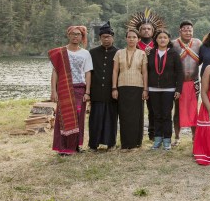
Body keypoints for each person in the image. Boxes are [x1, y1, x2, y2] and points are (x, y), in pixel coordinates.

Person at [49, 26, 93, 155]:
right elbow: (55, 72)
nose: (75, 36)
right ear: (68, 35)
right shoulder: (60, 53)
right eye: (73, 34)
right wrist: (53, 91)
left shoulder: (85, 53)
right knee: (63, 118)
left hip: (80, 88)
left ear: (82, 36)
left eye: (78, 34)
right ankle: (62, 147)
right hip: (64, 88)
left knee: (78, 117)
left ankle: (76, 146)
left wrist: (87, 92)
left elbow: (88, 73)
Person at [127, 8, 165, 141]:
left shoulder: (159, 44)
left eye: (149, 29)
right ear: (139, 31)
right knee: (135, 108)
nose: (146, 31)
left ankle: (153, 133)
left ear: (153, 31)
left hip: (154, 81)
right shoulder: (134, 45)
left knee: (154, 109)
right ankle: (134, 135)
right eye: (143, 29)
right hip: (136, 80)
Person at [147, 29, 184, 150]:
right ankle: (157, 139)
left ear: (169, 40)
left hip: (169, 89)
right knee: (156, 115)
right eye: (160, 37)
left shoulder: (174, 54)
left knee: (166, 115)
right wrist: (146, 88)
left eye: (165, 37)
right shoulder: (151, 53)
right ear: (156, 40)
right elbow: (146, 71)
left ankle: (167, 140)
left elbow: (179, 72)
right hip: (153, 89)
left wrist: (178, 89)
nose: (162, 40)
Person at [112, 28, 148, 150]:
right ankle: (125, 143)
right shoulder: (119, 53)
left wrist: (145, 89)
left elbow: (145, 72)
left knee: (136, 115)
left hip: (138, 87)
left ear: (138, 39)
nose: (131, 39)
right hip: (122, 87)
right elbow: (115, 71)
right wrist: (114, 88)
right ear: (126, 38)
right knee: (124, 115)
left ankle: (136, 143)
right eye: (129, 37)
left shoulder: (142, 53)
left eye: (134, 37)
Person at [88, 21, 119, 151]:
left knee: (111, 118)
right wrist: (88, 91)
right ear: (100, 38)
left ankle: (110, 143)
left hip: (112, 91)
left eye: (109, 36)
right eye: (103, 37)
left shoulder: (118, 52)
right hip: (96, 91)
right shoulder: (92, 52)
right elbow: (89, 72)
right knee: (95, 118)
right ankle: (93, 144)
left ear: (112, 37)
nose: (106, 39)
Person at [172, 20, 201, 144]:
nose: (188, 32)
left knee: (194, 110)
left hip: (194, 81)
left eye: (190, 29)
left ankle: (194, 137)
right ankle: (177, 137)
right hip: (179, 83)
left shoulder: (198, 43)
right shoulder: (174, 44)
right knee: (177, 109)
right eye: (185, 29)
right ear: (180, 31)